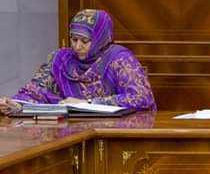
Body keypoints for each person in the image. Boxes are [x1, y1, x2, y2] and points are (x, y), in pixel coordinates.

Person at [0, 9, 156, 114]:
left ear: (100, 39)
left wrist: (88, 103)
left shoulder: (120, 59)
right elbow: (35, 91)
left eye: (85, 41)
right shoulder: (61, 60)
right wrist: (17, 104)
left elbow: (141, 97)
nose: (77, 46)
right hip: (69, 132)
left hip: (115, 134)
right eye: (74, 39)